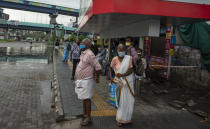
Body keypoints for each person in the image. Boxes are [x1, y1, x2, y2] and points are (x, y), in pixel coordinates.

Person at [75, 38, 102, 126]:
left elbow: (98, 67)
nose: (81, 44)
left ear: (87, 45)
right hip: (82, 80)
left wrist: (96, 77)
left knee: (87, 99)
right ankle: (85, 114)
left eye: (82, 43)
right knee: (83, 98)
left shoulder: (90, 54)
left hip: (87, 80)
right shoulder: (83, 53)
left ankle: (88, 118)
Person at [110, 43, 135, 127]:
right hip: (119, 83)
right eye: (120, 50)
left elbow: (131, 70)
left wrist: (123, 74)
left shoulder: (129, 58)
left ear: (125, 51)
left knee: (129, 101)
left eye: (123, 50)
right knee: (121, 101)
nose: (121, 52)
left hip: (127, 83)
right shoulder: (114, 59)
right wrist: (111, 77)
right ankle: (119, 118)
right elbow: (111, 68)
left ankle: (127, 118)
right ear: (117, 51)